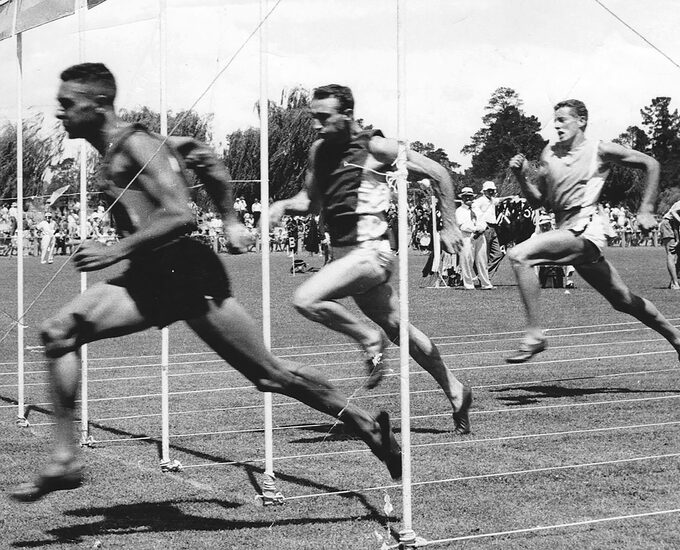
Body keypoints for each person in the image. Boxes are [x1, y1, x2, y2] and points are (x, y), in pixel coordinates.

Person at [9, 64, 401, 503]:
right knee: (58, 333)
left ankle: (364, 423)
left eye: (67, 104)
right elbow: (202, 155)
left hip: (188, 275)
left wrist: (116, 249)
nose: (59, 112)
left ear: (98, 104)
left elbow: (181, 215)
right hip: (149, 278)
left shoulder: (137, 144)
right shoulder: (130, 145)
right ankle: (65, 459)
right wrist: (229, 219)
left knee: (270, 375)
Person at [269, 84, 473, 434]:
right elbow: (310, 202)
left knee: (305, 299)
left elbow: (439, 173)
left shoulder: (377, 147)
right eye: (313, 117)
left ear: (347, 114)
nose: (316, 125)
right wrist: (282, 205)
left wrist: (450, 224)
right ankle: (457, 391)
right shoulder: (320, 151)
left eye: (323, 117)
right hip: (345, 256)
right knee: (399, 329)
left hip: (372, 252)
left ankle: (367, 338)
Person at [504, 99, 680, 381]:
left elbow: (651, 163)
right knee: (623, 301)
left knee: (519, 256)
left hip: (586, 232)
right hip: (567, 233)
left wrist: (646, 209)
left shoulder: (600, 150)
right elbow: (540, 202)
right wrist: (522, 177)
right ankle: (679, 338)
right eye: (555, 120)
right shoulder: (549, 153)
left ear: (581, 121)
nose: (557, 125)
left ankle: (535, 335)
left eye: (563, 119)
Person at [455, 186, 492, 290]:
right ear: (462, 198)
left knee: (482, 260)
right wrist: (475, 229)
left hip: (480, 236)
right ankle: (468, 284)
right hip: (467, 237)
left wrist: (481, 228)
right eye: (466, 196)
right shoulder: (459, 211)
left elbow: (483, 221)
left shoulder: (477, 210)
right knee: (467, 260)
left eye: (470, 196)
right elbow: (461, 225)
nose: (468, 198)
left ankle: (486, 283)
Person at [658, 191, 680, 289]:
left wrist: (679, 239)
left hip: (675, 228)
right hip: (668, 225)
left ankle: (673, 281)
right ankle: (674, 283)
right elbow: (675, 222)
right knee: (671, 253)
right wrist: (677, 240)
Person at [473, 180, 505, 276]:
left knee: (498, 254)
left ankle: (485, 276)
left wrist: (510, 197)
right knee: (483, 255)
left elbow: (499, 200)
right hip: (485, 229)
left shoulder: (492, 200)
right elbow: (474, 211)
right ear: (484, 191)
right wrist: (481, 225)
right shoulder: (479, 201)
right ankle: (483, 276)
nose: (491, 192)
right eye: (489, 190)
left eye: (492, 190)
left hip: (493, 229)